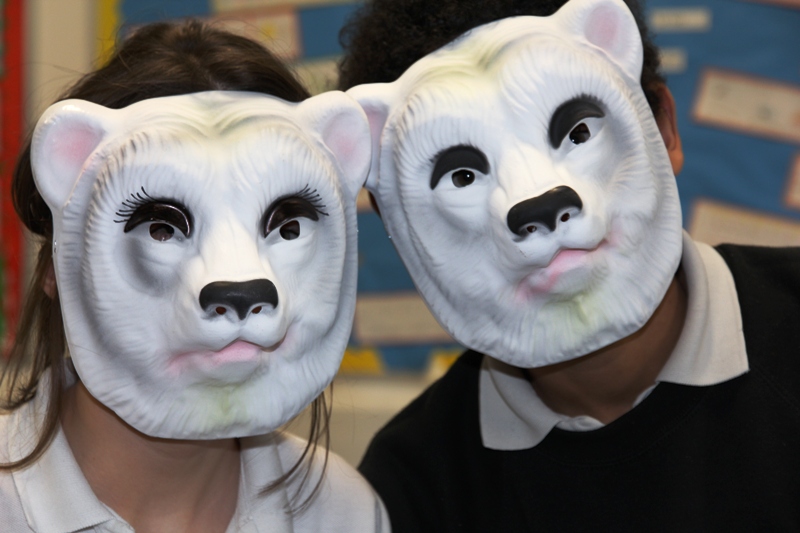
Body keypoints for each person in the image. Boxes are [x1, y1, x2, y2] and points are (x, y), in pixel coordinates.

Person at [338, 0, 800, 531]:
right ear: (400, 228)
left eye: (578, 135)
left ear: (663, 130)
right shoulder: (411, 488)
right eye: (463, 177)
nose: (537, 201)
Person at [1, 21, 386, 532]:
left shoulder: (346, 513)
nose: (237, 280)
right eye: (162, 229)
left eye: (286, 226)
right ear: (56, 267)